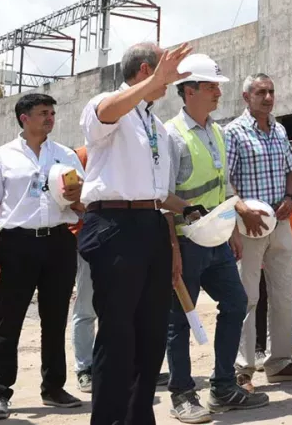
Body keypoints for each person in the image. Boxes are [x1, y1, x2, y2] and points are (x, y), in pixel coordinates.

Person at [78, 42, 196, 424]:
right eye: (165, 70)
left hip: (151, 227)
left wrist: (188, 213)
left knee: (150, 335)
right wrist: (151, 85)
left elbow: (159, 194)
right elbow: (104, 113)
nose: (171, 80)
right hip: (114, 226)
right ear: (146, 69)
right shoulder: (110, 103)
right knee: (117, 334)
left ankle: (138, 417)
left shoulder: (156, 127)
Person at [164, 54, 268, 422]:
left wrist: (231, 231)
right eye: (211, 87)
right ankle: (182, 394)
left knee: (237, 303)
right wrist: (173, 249)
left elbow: (223, 188)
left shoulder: (217, 133)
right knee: (180, 319)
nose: (217, 93)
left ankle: (223, 386)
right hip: (185, 241)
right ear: (189, 90)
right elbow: (162, 197)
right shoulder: (171, 135)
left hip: (216, 240)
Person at [0, 93, 85, 419]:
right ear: (24, 118)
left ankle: (53, 387)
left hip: (58, 243)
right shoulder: (2, 157)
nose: (50, 118)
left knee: (55, 320)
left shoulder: (65, 155)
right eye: (43, 113)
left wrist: (77, 196)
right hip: (16, 245)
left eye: (52, 112)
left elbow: (83, 204)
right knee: (8, 321)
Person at [225, 73, 292, 392]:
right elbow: (226, 178)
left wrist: (290, 199)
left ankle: (279, 363)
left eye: (271, 91)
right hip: (249, 226)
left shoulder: (278, 130)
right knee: (247, 296)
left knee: (284, 293)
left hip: (280, 223)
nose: (268, 97)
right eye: (260, 92)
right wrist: (242, 210)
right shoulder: (233, 132)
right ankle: (242, 369)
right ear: (246, 97)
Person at [69, 146, 96, 394]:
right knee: (86, 308)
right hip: (89, 239)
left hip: (121, 240)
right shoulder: (80, 156)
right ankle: (85, 368)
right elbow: (69, 198)